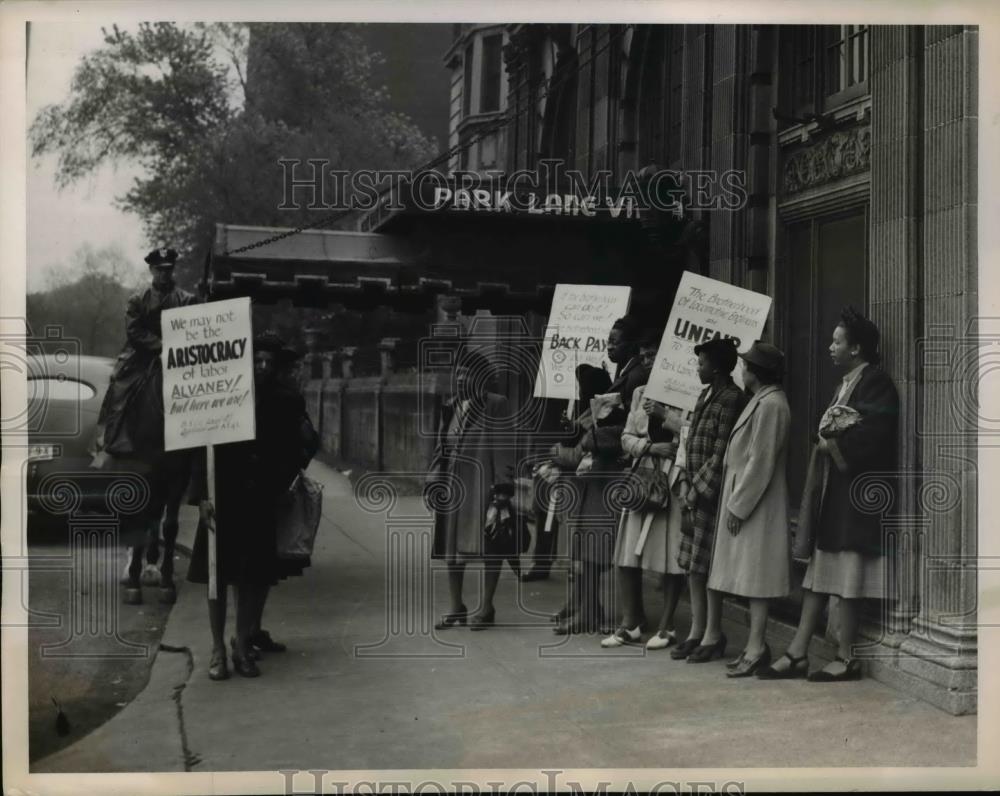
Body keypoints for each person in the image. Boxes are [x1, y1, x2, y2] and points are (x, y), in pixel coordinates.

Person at [759, 308, 899, 682]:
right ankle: (798, 652)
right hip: (836, 494)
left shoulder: (876, 382)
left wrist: (830, 443)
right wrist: (829, 442)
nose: (830, 347)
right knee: (820, 575)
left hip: (858, 497)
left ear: (855, 348)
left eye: (837, 341)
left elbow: (874, 436)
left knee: (847, 575)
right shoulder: (848, 383)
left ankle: (846, 655)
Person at [186, 333, 312, 680]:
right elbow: (200, 444)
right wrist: (202, 496)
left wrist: (286, 482)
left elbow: (296, 447)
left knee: (253, 576)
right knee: (218, 575)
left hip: (260, 497)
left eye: (270, 362)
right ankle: (216, 649)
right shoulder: (221, 395)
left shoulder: (285, 401)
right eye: (257, 361)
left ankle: (241, 645)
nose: (263, 367)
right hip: (222, 492)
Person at [93, 247, 198, 605]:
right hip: (145, 356)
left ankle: (201, 456)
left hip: (182, 359)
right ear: (152, 271)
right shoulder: (138, 299)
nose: (165, 275)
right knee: (121, 385)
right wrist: (160, 345)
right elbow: (135, 330)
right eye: (159, 270)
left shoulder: (188, 299)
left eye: (169, 269)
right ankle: (112, 437)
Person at [705, 341, 791, 677]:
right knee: (753, 578)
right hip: (750, 499)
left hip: (757, 503)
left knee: (758, 578)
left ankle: (756, 647)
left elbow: (761, 462)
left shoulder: (771, 405)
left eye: (746, 365)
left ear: (756, 372)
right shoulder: (763, 400)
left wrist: (737, 507)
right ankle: (755, 646)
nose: (742, 369)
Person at [559, 316, 648, 635]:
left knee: (604, 545)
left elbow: (631, 425)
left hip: (616, 467)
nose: (609, 346)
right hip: (605, 467)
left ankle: (614, 614)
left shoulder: (636, 377)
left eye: (615, 341)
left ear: (632, 345)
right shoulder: (625, 374)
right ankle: (590, 609)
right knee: (592, 542)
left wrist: (590, 437)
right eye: (608, 340)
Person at [601, 330, 688, 649]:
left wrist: (666, 418)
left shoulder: (689, 395)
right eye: (646, 356)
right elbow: (626, 437)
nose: (649, 362)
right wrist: (650, 447)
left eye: (654, 356)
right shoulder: (640, 393)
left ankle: (667, 626)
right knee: (626, 553)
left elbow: (693, 439)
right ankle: (630, 623)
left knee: (669, 557)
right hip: (643, 476)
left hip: (673, 479)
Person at [670, 337, 748, 663]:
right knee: (693, 568)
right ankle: (697, 630)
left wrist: (697, 487)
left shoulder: (731, 399)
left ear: (716, 366)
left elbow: (721, 453)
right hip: (694, 493)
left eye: (701, 363)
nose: (697, 368)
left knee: (709, 566)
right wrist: (686, 479)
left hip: (710, 497)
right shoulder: (704, 396)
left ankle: (713, 632)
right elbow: (691, 442)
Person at [428, 348, 515, 631]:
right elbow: (441, 447)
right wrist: (432, 480)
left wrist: (503, 487)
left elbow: (503, 445)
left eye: (468, 373)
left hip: (483, 483)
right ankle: (457, 606)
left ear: (480, 377)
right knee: (451, 547)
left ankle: (486, 605)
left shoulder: (495, 404)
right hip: (453, 484)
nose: (461, 378)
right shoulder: (451, 405)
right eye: (459, 373)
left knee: (491, 544)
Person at [544, 363, 612, 631]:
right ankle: (580, 605)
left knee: (588, 553)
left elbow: (580, 455)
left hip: (591, 488)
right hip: (578, 490)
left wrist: (557, 452)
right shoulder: (584, 414)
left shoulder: (599, 417)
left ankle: (588, 610)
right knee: (579, 552)